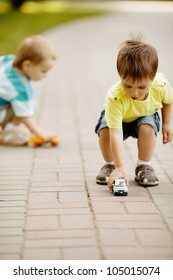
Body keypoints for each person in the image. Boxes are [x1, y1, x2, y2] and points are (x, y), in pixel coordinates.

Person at [95, 36, 173, 189]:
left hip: (145, 115)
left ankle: (144, 166)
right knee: (105, 131)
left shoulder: (161, 83)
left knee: (148, 127)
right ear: (120, 76)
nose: (135, 93)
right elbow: (115, 134)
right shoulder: (115, 96)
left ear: (152, 77)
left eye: (142, 87)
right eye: (128, 86)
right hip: (119, 121)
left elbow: (167, 100)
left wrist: (167, 124)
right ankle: (110, 165)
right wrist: (120, 166)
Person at [0, 35, 56, 145]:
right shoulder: (18, 86)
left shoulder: (9, 61)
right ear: (27, 65)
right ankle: (8, 133)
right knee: (28, 105)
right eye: (43, 71)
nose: (46, 75)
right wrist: (40, 133)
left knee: (21, 104)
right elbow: (24, 115)